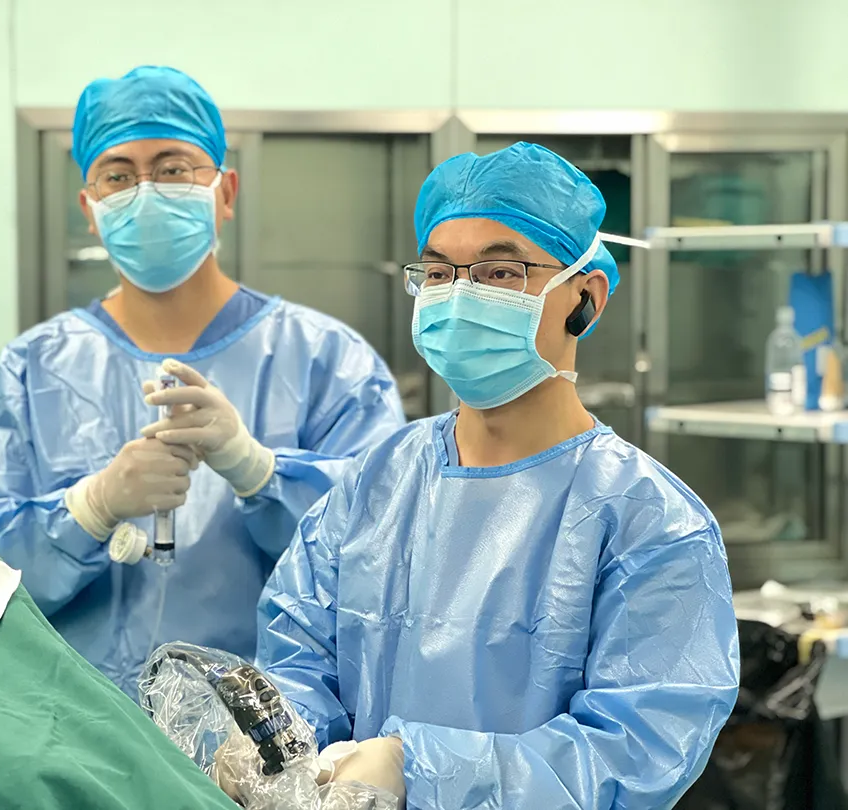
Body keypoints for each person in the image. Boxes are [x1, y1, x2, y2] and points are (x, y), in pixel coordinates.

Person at [252, 143, 740, 809]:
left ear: (585, 298)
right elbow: (297, 654)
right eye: (438, 273)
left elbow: (635, 750)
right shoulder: (378, 481)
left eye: (500, 272)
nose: (459, 297)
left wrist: (419, 771)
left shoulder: (649, 523)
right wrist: (276, 749)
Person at [0, 65, 405, 696]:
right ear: (90, 209)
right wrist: (87, 509)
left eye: (174, 168)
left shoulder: (328, 362)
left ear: (225, 192)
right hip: (69, 731)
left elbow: (387, 560)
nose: (145, 191)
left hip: (263, 736)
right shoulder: (31, 370)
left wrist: (262, 473)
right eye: (118, 175)